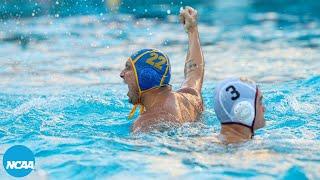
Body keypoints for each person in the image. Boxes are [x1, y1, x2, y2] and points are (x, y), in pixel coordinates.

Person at [120, 6, 204, 133]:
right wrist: (192, 30)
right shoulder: (190, 98)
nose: (122, 74)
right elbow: (194, 71)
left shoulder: (145, 123)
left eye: (128, 68)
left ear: (145, 76)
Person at [213, 77, 266, 143]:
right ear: (245, 109)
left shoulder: (206, 140)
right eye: (260, 102)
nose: (264, 109)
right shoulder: (254, 152)